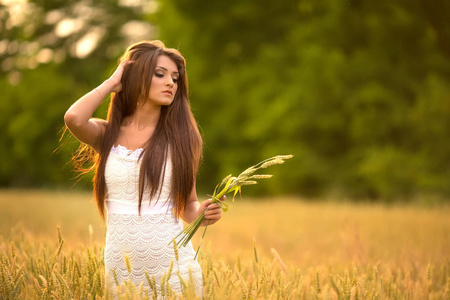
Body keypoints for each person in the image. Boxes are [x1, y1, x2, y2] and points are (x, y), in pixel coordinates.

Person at [64, 40, 223, 298]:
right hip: (120, 268)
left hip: (173, 268)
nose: (171, 82)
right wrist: (113, 83)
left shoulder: (184, 138)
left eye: (175, 77)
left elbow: (188, 206)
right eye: (159, 74)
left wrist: (202, 214)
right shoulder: (107, 133)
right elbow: (73, 118)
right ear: (136, 77)